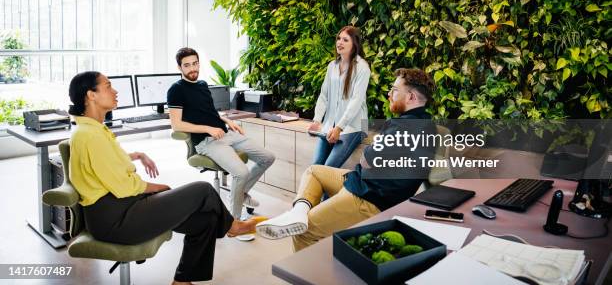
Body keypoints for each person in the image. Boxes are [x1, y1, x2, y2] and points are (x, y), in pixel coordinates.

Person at [68, 71, 264, 285]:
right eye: (108, 86)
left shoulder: (93, 130)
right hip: (115, 219)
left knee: (205, 221)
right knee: (202, 190)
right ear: (91, 95)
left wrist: (136, 155)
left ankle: (182, 282)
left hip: (121, 208)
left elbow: (104, 163)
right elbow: (124, 186)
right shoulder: (90, 135)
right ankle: (232, 227)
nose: (115, 91)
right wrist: (157, 187)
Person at [257, 68, 436, 251]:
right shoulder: (424, 124)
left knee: (305, 231)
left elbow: (367, 160)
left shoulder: (405, 128)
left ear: (411, 97)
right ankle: (298, 213)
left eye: (395, 90)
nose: (389, 94)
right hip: (363, 183)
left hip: (368, 199)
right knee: (315, 171)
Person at [168, 47, 275, 219]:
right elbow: (176, 125)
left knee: (267, 157)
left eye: (195, 63)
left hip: (226, 134)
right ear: (179, 68)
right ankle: (234, 221)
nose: (192, 68)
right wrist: (208, 128)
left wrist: (227, 121)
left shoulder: (202, 85)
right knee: (241, 173)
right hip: (207, 141)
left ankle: (241, 194)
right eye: (187, 65)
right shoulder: (176, 90)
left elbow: (211, 112)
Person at [308, 25, 370, 168]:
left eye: (345, 40)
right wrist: (317, 120)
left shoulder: (362, 68)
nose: (339, 42)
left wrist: (339, 128)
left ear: (354, 44)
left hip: (354, 127)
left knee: (327, 169)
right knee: (316, 166)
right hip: (330, 126)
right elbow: (324, 95)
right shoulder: (332, 66)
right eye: (338, 38)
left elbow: (356, 101)